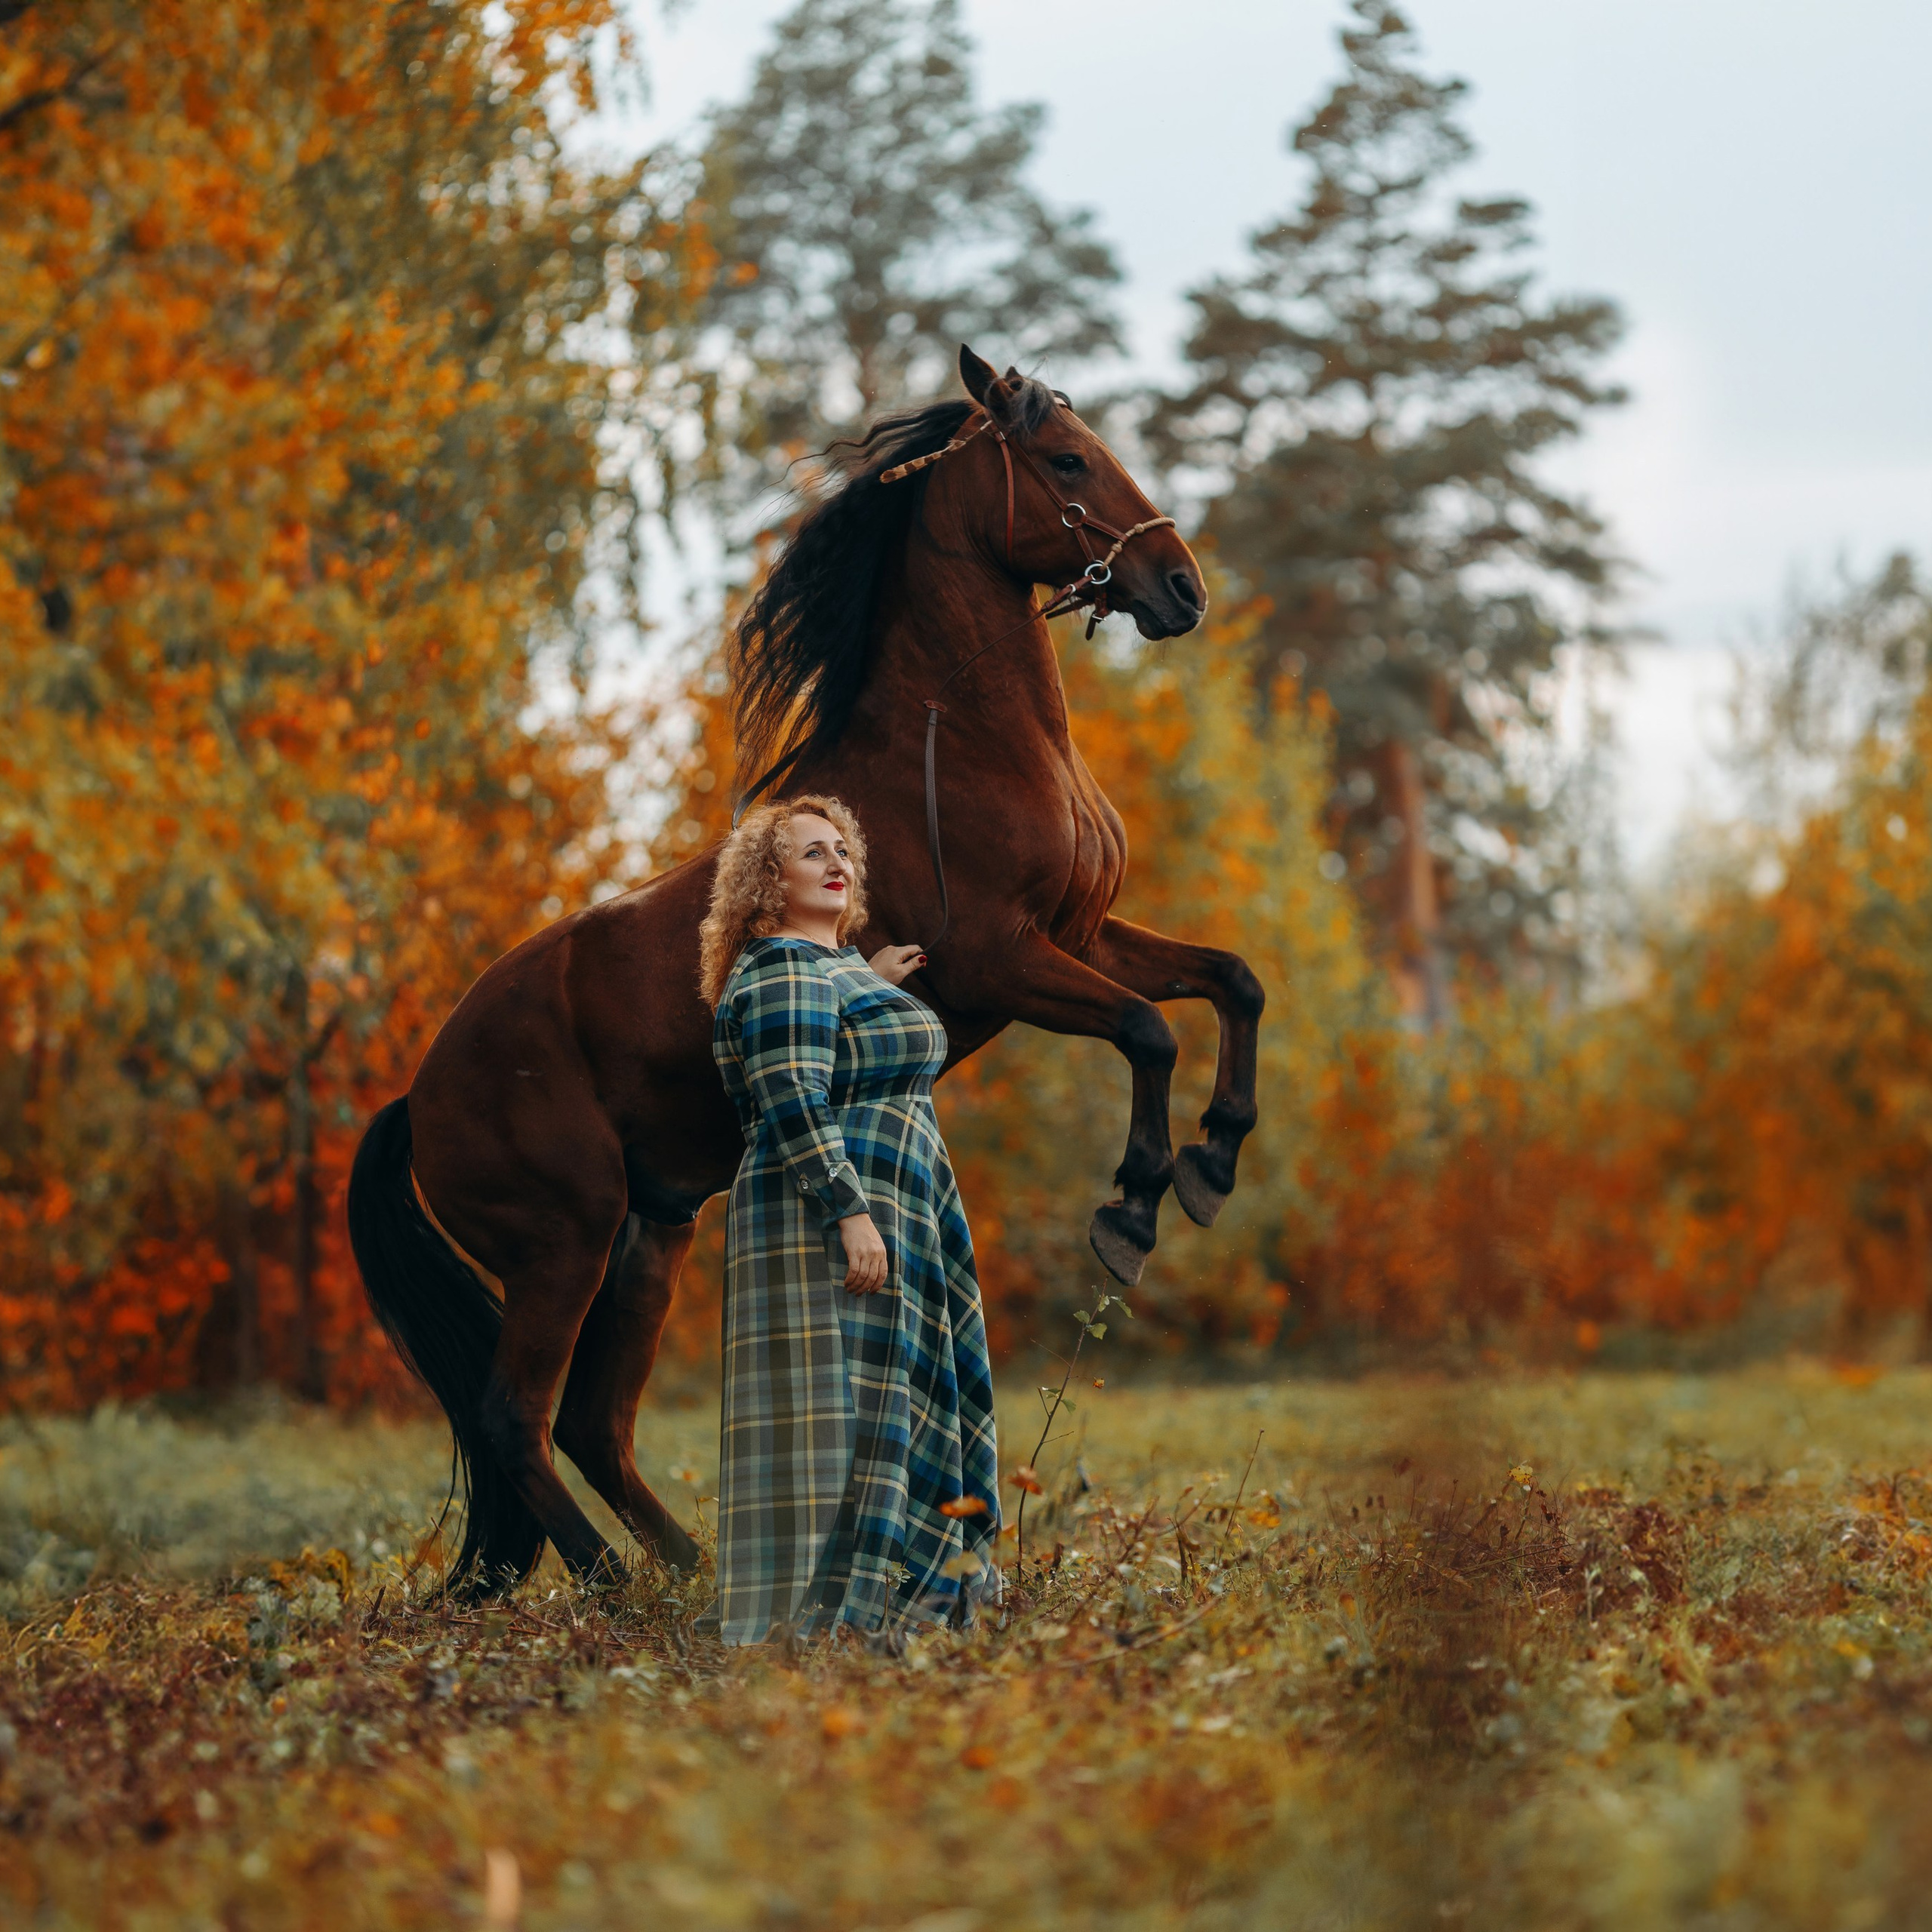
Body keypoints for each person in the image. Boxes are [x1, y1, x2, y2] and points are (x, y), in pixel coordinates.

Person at [697, 795, 1001, 1644]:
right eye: (810, 852)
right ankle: (846, 1603)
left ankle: (898, 1577)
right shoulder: (781, 967)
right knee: (849, 1408)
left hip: (895, 1203)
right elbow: (793, 1091)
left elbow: (836, 1047)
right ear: (767, 879)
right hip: (836, 1212)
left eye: (842, 849)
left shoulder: (824, 970)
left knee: (887, 1393)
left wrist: (870, 983)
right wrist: (849, 1211)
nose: (837, 862)